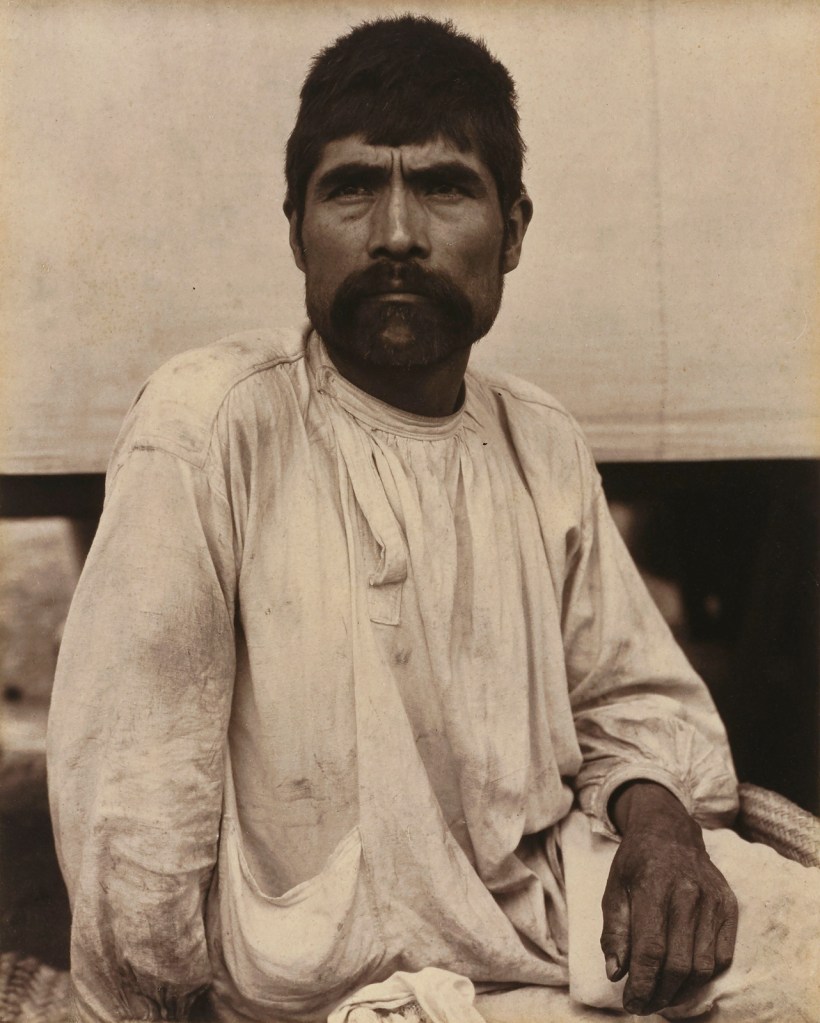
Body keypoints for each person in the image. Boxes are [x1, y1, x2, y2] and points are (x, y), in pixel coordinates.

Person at [47, 15, 818, 1023]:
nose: (397, 235)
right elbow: (135, 802)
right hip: (307, 994)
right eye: (352, 186)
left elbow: (635, 703)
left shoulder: (536, 437)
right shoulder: (214, 423)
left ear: (514, 228)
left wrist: (660, 829)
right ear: (295, 228)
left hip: (550, 944)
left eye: (445, 186)